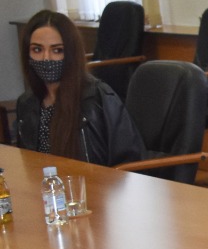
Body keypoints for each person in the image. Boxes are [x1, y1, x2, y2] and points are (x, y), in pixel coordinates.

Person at [13, 9, 144, 165]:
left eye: (57, 50)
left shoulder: (98, 98)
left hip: (92, 180)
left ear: (71, 53)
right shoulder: (26, 103)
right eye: (37, 49)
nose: (46, 58)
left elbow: (130, 161)